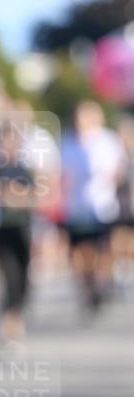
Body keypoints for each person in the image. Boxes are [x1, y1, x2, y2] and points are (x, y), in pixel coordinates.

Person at [60, 101, 127, 309]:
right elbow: (60, 172)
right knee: (81, 250)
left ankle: (103, 280)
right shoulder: (68, 142)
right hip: (76, 207)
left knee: (104, 248)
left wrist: (111, 179)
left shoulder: (108, 140)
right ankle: (88, 285)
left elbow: (120, 170)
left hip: (102, 205)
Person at [0, 122, 37, 343]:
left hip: (22, 229)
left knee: (23, 275)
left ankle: (17, 315)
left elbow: (32, 197)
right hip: (3, 230)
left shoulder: (24, 170)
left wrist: (16, 196)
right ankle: (8, 320)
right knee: (8, 275)